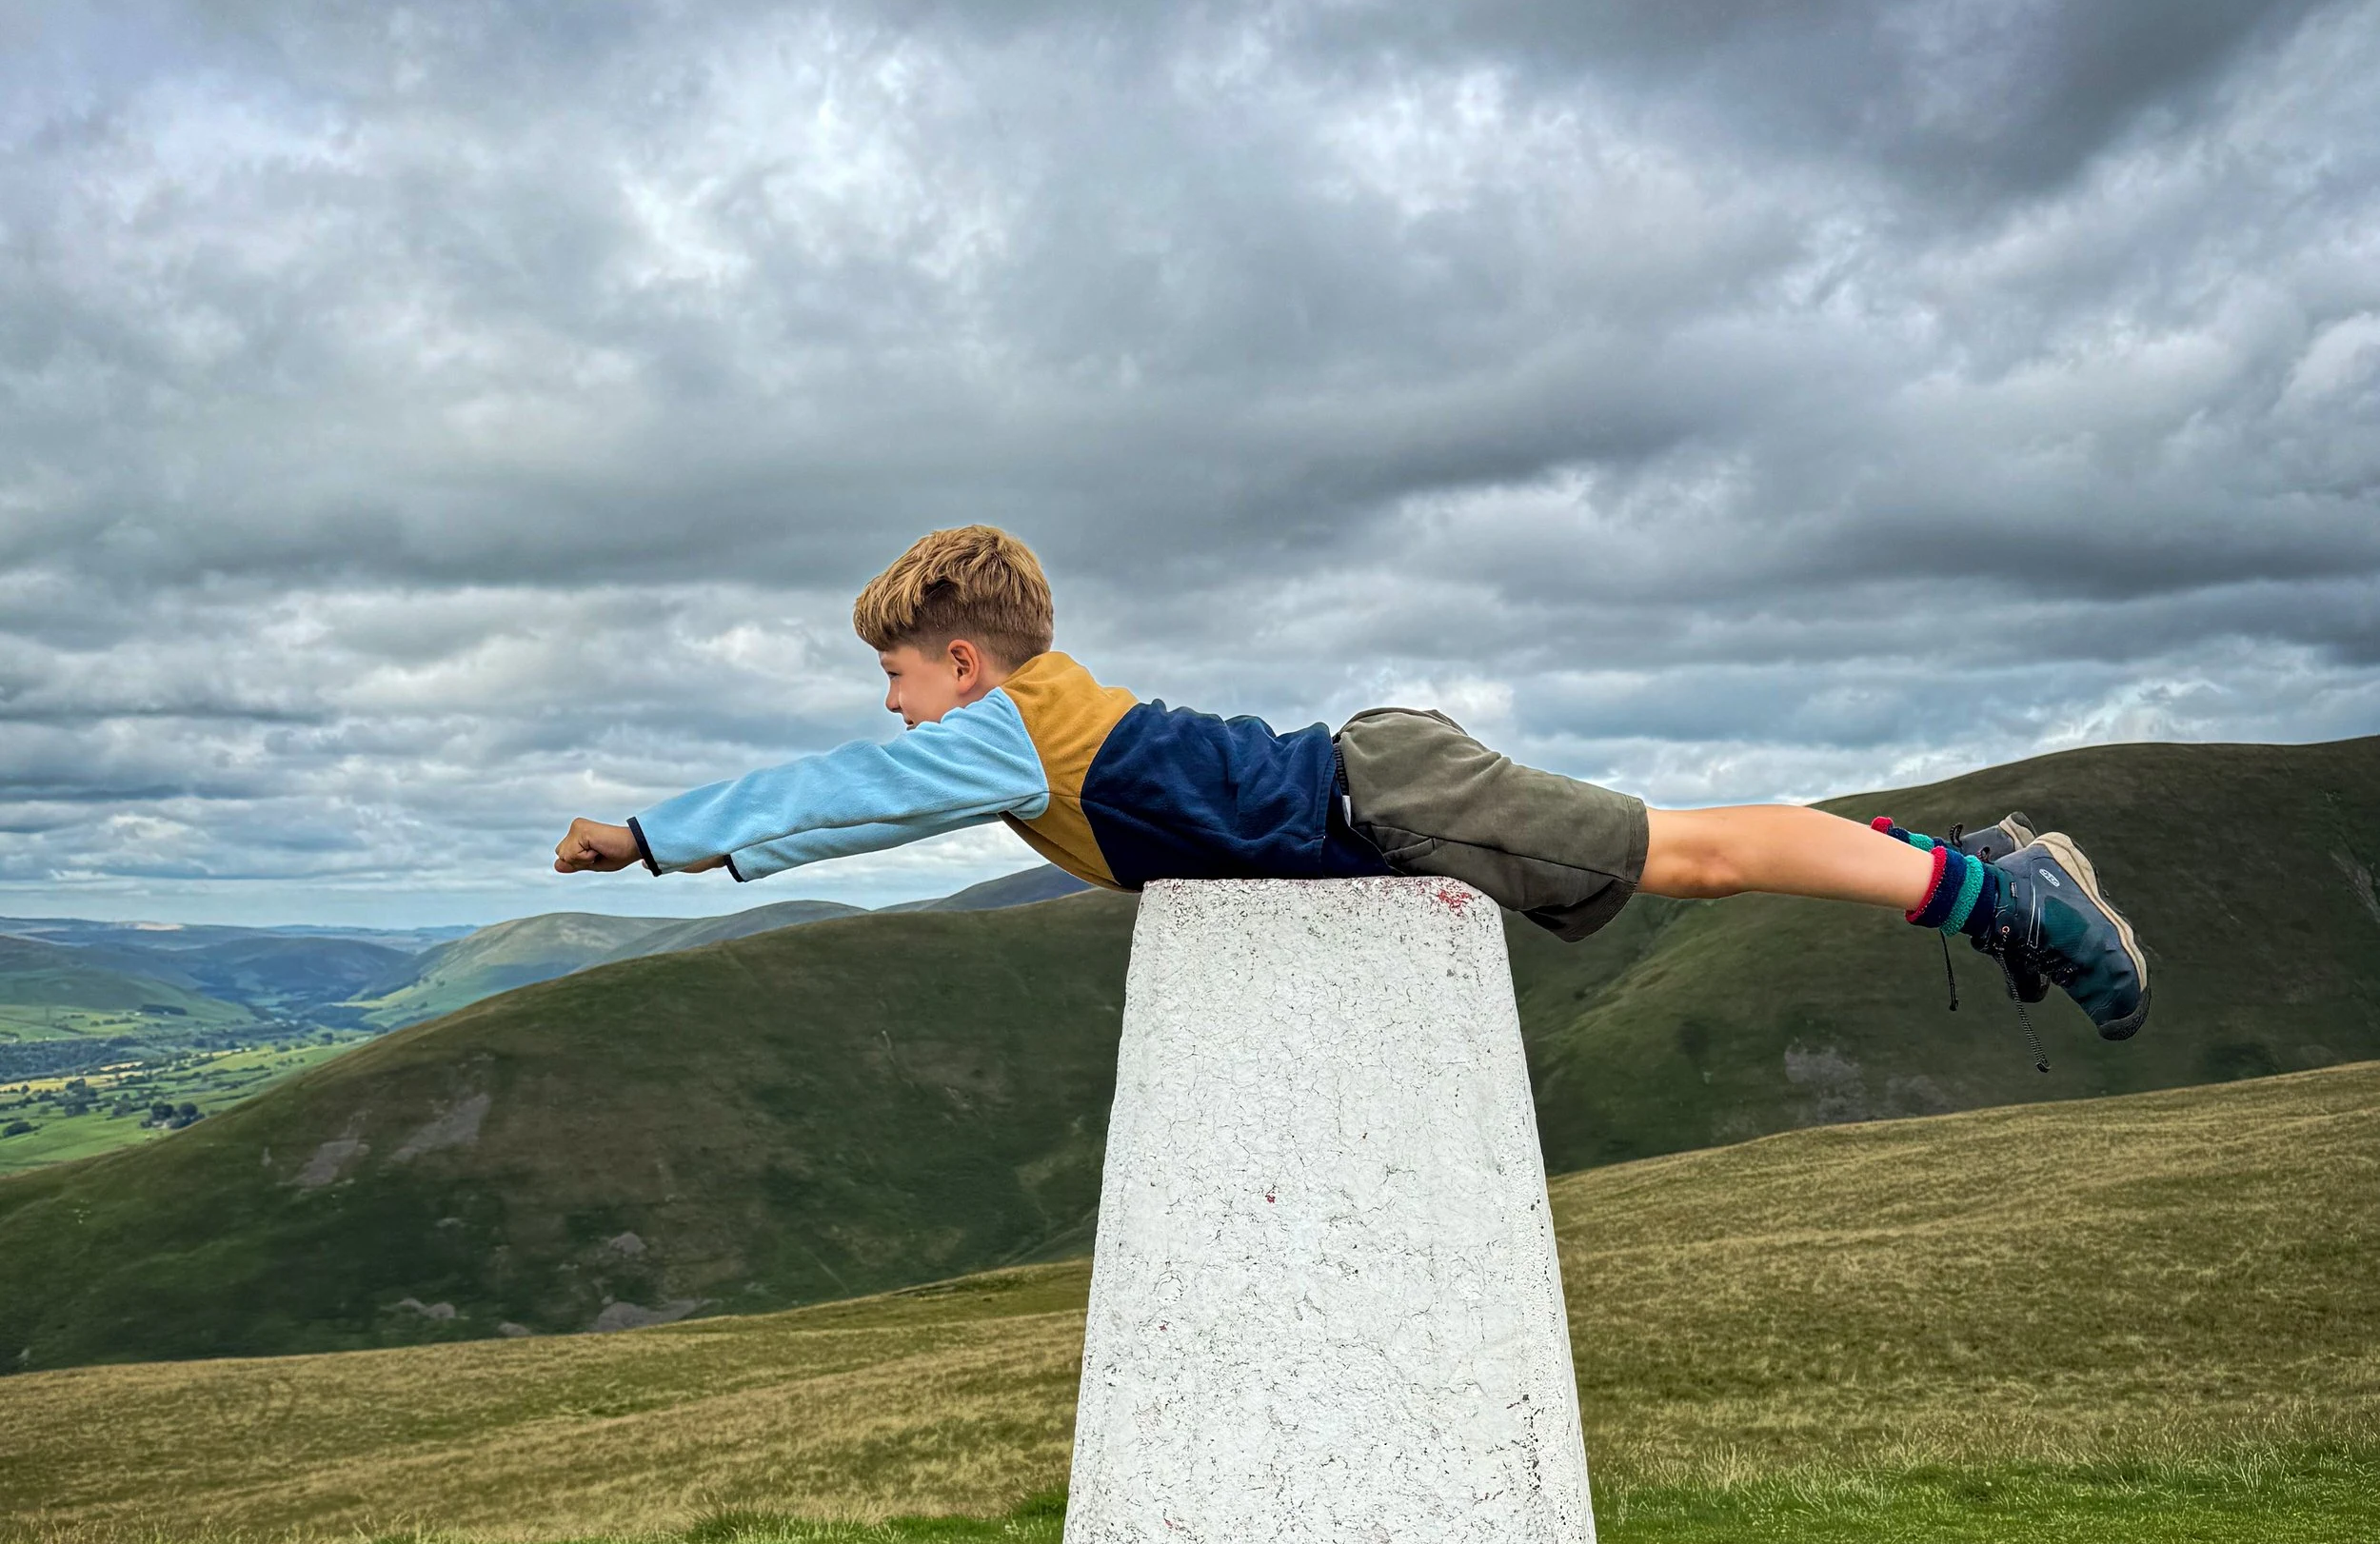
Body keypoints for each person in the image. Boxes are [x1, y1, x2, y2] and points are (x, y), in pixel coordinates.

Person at [554, 524, 2148, 1038]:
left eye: (899, 676)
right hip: (1375, 784)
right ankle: (1982, 854)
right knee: (1690, 845)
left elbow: (832, 794)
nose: (893, 711)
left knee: (1696, 856)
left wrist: (652, 835)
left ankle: (1994, 890)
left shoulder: (1008, 722)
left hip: (1381, 795)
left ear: (963, 661)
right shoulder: (1026, 732)